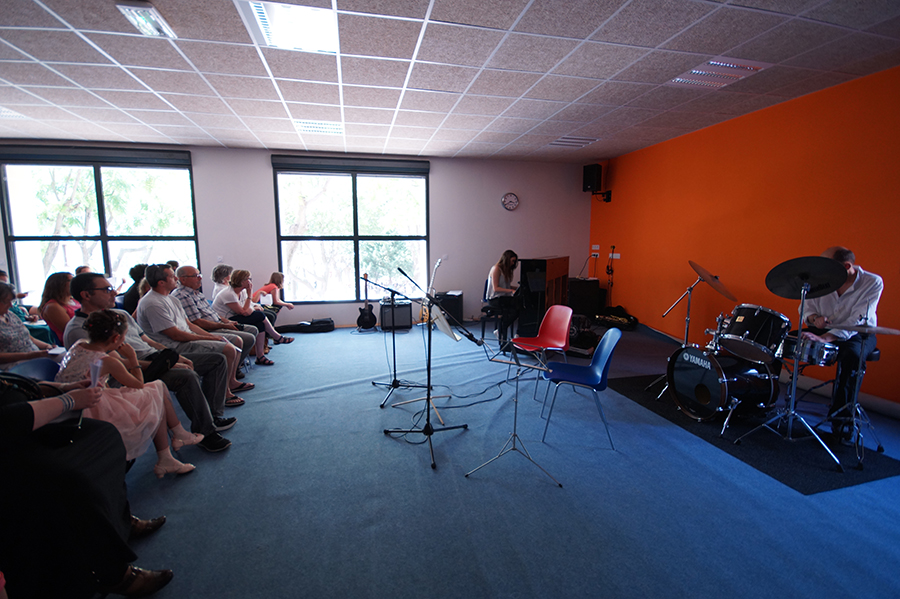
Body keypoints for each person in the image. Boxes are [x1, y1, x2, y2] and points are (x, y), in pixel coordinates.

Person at [0, 377, 173, 598]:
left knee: (105, 435)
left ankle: (119, 520)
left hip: (28, 429)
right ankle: (114, 575)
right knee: (70, 480)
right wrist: (68, 401)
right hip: (10, 449)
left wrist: (63, 388)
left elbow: (14, 384)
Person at [66, 273, 234, 450]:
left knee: (216, 360)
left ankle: (213, 416)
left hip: (153, 357)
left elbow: (147, 340)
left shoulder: (120, 314)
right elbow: (118, 364)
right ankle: (206, 431)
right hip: (127, 373)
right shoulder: (80, 329)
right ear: (86, 295)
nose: (114, 293)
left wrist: (173, 356)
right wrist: (167, 363)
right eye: (107, 289)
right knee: (185, 376)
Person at [56, 310, 202, 477]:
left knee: (155, 390)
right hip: (92, 408)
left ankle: (172, 447)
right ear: (116, 339)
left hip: (69, 402)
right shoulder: (108, 361)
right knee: (155, 390)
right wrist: (132, 358)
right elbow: (138, 384)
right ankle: (173, 443)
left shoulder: (79, 344)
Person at [800, 247, 883, 439]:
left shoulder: (872, 282)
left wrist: (827, 338)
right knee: (780, 339)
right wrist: (814, 319)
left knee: (852, 356)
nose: (823, 270)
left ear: (846, 266)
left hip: (859, 333)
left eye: (828, 266)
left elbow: (858, 319)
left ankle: (842, 420)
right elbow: (806, 307)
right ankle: (765, 399)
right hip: (824, 328)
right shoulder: (820, 279)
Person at [136, 265, 247, 401]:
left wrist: (212, 337)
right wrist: (210, 338)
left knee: (229, 342)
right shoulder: (152, 303)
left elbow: (189, 325)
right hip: (174, 346)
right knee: (228, 349)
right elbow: (175, 335)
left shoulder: (171, 299)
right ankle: (224, 393)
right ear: (161, 283)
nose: (176, 278)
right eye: (172, 276)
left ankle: (229, 384)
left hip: (186, 340)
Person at [172, 265, 258, 388]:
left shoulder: (196, 293)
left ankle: (233, 369)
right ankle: (230, 378)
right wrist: (224, 326)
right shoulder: (182, 295)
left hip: (217, 323)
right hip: (207, 329)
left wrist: (226, 322)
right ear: (183, 279)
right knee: (245, 337)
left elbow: (213, 314)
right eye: (196, 276)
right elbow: (197, 322)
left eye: (199, 275)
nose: (200, 278)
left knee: (253, 330)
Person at [212, 269, 294, 366]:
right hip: (226, 320)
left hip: (235, 316)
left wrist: (254, 306)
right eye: (248, 279)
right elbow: (243, 312)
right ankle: (276, 337)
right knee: (259, 315)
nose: (250, 281)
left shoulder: (242, 291)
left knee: (260, 323)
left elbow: (248, 306)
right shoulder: (229, 294)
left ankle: (260, 356)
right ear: (241, 281)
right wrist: (250, 296)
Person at [0, 282, 57, 370]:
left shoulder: (11, 316)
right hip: (15, 364)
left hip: (34, 355)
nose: (11, 305)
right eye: (7, 301)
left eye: (12, 301)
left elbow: (30, 338)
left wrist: (47, 346)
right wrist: (28, 355)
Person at [486, 250, 520, 346]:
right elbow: (496, 288)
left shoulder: (506, 270)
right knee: (518, 305)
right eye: (512, 261)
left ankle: (504, 330)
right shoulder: (496, 269)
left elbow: (506, 286)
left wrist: (516, 288)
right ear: (507, 259)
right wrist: (511, 291)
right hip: (494, 299)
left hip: (503, 298)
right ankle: (502, 330)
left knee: (519, 307)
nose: (513, 263)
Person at [38, 271, 79, 344]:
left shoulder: (74, 300)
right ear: (60, 284)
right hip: (74, 343)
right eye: (71, 281)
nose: (75, 283)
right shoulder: (52, 307)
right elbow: (72, 331)